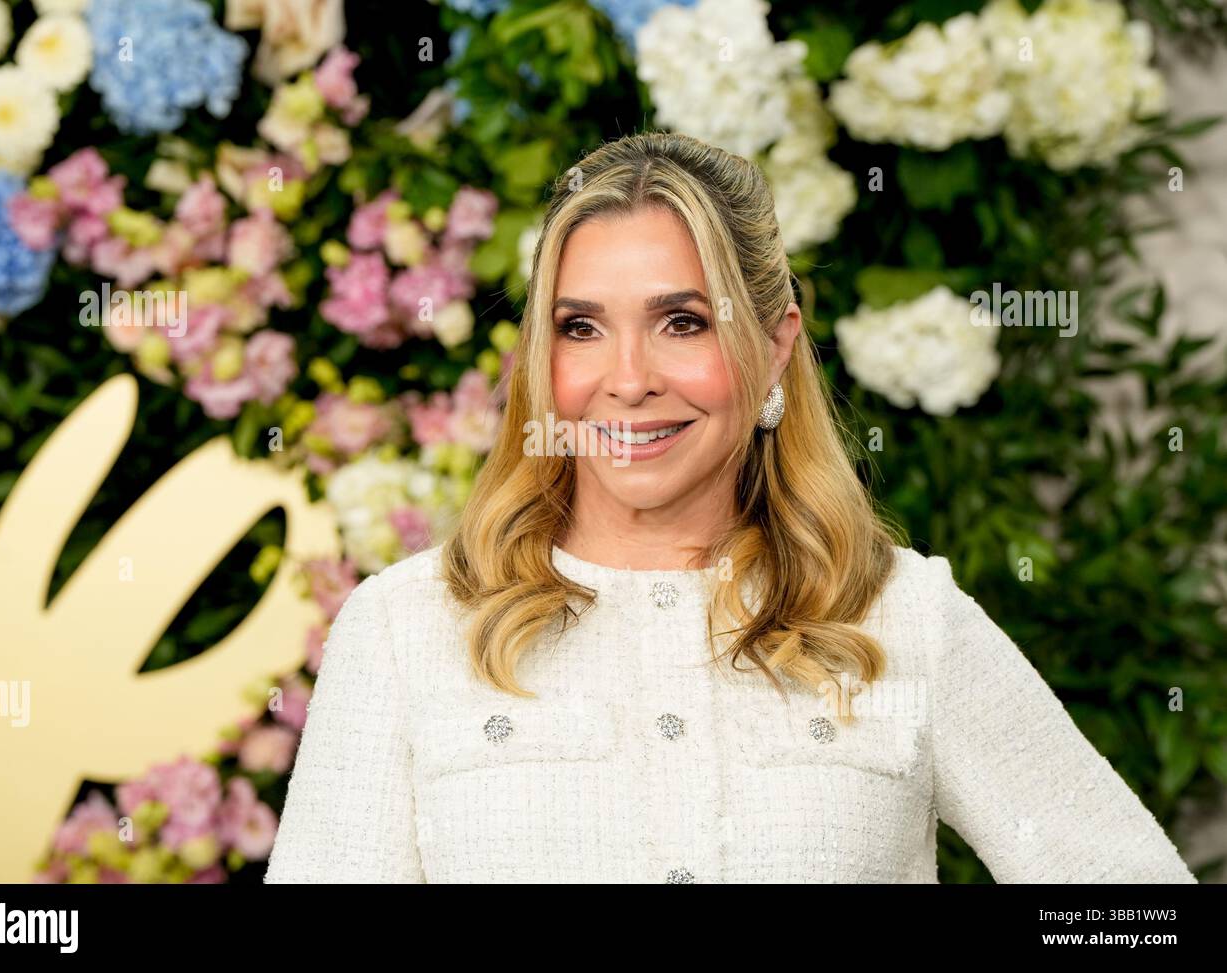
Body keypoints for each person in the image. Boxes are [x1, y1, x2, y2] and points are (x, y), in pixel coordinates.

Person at [264, 131, 1196, 884]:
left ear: (775, 346)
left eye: (684, 322)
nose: (627, 380)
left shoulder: (905, 614)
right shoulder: (404, 627)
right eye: (581, 327)